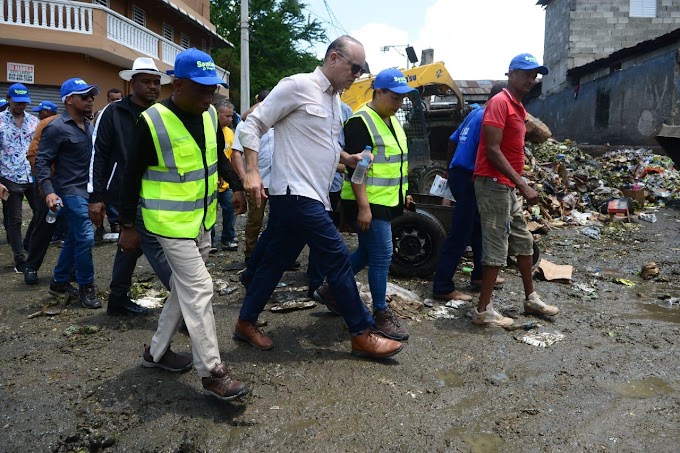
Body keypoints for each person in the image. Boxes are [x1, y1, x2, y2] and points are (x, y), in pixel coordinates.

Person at [235, 35, 403, 359]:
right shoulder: (297, 86)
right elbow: (251, 125)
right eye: (355, 67)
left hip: (313, 195)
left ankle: (245, 321)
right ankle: (362, 331)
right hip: (295, 193)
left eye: (362, 69)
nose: (358, 74)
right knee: (338, 255)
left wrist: (347, 159)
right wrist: (252, 172)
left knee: (274, 262)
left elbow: (320, 145)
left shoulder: (333, 102)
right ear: (334, 59)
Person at [118, 48, 249, 401]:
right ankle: (212, 372)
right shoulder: (152, 121)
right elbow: (130, 177)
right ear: (177, 84)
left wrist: (236, 186)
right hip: (167, 224)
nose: (208, 97)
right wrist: (128, 226)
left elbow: (215, 159)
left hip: (201, 220)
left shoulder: (208, 116)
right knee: (201, 289)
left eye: (212, 91)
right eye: (201, 90)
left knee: (184, 290)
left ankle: (155, 353)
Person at [472, 53, 559, 327]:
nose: (531, 79)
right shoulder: (500, 102)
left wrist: (521, 178)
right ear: (511, 74)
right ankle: (483, 310)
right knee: (497, 245)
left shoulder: (519, 108)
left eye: (535, 75)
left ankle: (530, 298)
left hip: (508, 185)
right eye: (526, 73)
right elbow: (492, 150)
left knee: (523, 241)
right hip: (493, 183)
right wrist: (522, 183)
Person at [88, 57, 174, 315]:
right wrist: (96, 195)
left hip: (158, 189)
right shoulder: (112, 113)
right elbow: (99, 154)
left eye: (156, 82)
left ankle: (117, 299)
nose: (153, 87)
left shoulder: (161, 113)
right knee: (155, 245)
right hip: (127, 192)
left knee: (130, 245)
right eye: (146, 81)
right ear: (132, 83)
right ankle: (186, 299)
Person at [336, 68, 414, 341]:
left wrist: (406, 192)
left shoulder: (391, 120)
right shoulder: (360, 122)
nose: (399, 104)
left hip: (387, 200)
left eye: (402, 99)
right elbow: (359, 170)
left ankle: (330, 288)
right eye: (395, 98)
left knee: (368, 253)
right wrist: (364, 207)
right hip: (368, 202)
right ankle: (380, 313)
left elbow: (396, 163)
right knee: (382, 255)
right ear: (378, 92)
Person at [432, 82, 507, 302]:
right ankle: (443, 286)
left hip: (459, 174)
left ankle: (480, 276)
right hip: (469, 178)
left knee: (476, 227)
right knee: (461, 233)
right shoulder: (489, 118)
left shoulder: (475, 114)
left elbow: (452, 141)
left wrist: (449, 168)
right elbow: (493, 152)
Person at [35, 78, 103, 309]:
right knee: (85, 236)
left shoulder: (90, 126)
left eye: (91, 95)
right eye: (84, 96)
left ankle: (59, 281)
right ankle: (86, 286)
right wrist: (49, 192)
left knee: (75, 237)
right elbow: (42, 161)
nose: (90, 99)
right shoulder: (55, 127)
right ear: (69, 100)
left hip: (89, 190)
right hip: (70, 191)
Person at [231, 89, 274, 262]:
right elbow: (236, 153)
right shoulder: (247, 123)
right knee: (255, 219)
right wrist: (244, 177)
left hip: (277, 181)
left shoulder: (278, 122)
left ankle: (274, 254)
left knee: (277, 221)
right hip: (258, 181)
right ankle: (251, 254)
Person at [0, 83, 40, 272]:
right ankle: (20, 260)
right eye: (17, 103)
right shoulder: (0, 121)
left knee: (42, 212)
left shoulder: (34, 121)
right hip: (9, 177)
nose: (21, 106)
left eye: (24, 103)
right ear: (8, 99)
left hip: (32, 175)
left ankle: (27, 243)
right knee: (14, 220)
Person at [23, 101, 60, 284]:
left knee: (76, 233)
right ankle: (31, 266)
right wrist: (45, 184)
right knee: (44, 226)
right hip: (50, 186)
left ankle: (71, 271)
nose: (89, 101)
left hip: (75, 188)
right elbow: (34, 155)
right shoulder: (47, 125)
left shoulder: (86, 127)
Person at [212, 100, 238, 251]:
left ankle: (228, 237)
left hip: (226, 182)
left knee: (230, 209)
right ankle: (211, 241)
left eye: (231, 116)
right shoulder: (210, 130)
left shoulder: (230, 133)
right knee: (211, 213)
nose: (230, 119)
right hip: (212, 181)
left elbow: (232, 157)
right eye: (226, 116)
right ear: (217, 114)